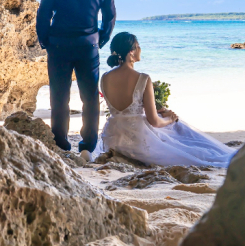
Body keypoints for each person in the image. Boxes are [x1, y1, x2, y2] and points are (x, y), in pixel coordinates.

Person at [95, 32, 236, 167]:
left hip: (112, 137)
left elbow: (124, 109)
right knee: (178, 126)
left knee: (167, 124)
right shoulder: (143, 78)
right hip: (137, 138)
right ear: (131, 52)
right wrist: (171, 118)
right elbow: (154, 121)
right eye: (138, 46)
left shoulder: (105, 77)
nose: (140, 49)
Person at [36, 0, 116, 157]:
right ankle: (88, 146)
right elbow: (109, 17)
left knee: (59, 96)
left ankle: (60, 143)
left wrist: (45, 41)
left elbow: (44, 13)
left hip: (58, 44)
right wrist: (99, 40)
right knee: (90, 97)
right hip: (88, 45)